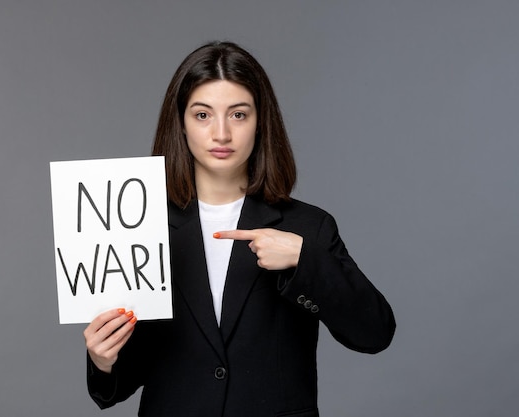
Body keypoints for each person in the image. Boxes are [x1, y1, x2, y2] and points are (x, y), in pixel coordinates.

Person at [83, 41, 395, 417]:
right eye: (202, 115)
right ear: (180, 123)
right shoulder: (140, 228)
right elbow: (124, 381)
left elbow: (375, 333)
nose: (221, 134)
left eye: (238, 115)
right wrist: (103, 360)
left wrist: (303, 259)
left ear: (261, 121)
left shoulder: (308, 228)